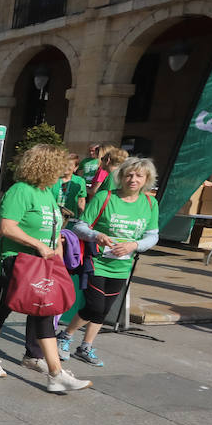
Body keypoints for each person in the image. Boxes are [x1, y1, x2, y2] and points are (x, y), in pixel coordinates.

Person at [0, 143, 91, 393]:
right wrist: (38, 245)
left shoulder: (47, 193)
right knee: (2, 308)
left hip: (44, 264)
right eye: (59, 166)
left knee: (45, 313)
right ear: (45, 166)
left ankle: (56, 374)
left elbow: (53, 229)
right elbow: (7, 228)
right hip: (17, 261)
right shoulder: (20, 191)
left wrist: (56, 253)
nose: (63, 171)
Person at [57, 157, 161, 366]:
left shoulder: (150, 202)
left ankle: (85, 346)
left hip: (123, 265)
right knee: (95, 306)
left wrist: (135, 245)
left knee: (104, 310)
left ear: (147, 179)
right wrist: (97, 235)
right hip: (97, 260)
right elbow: (80, 226)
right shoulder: (105, 197)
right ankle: (65, 336)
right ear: (121, 177)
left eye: (139, 176)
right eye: (129, 175)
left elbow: (153, 235)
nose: (133, 179)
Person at [56, 152, 87, 219]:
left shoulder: (79, 181)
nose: (66, 167)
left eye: (70, 164)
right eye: (64, 164)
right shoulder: (53, 179)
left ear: (75, 167)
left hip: (70, 218)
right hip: (53, 218)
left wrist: (81, 218)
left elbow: (81, 200)